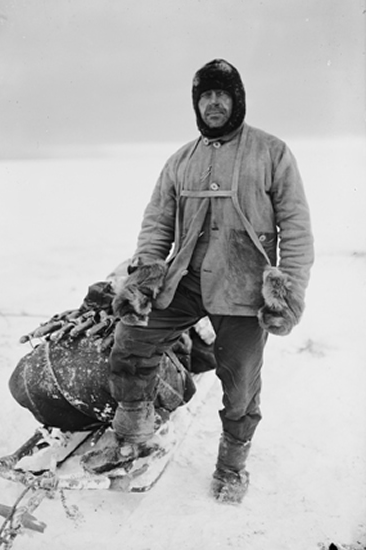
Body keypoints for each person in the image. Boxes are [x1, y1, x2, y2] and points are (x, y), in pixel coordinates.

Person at [107, 58, 314, 504]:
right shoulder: (181, 160)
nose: (214, 103)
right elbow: (158, 222)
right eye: (206, 96)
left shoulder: (272, 152)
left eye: (223, 94)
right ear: (196, 104)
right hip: (186, 280)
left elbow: (296, 227)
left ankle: (231, 466)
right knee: (131, 336)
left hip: (242, 288)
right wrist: (144, 276)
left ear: (237, 100)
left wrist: (287, 291)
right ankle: (134, 429)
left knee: (240, 384)